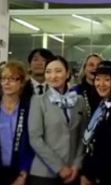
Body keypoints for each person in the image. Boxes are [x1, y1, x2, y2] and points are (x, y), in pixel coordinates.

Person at [28, 56, 86, 185]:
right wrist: (59, 167)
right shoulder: (38, 101)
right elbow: (35, 139)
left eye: (58, 71)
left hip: (72, 172)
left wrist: (76, 165)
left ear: (67, 74)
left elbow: (83, 137)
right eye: (48, 72)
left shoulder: (79, 101)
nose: (53, 76)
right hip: (44, 174)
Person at [80, 61, 111, 185]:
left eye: (107, 80)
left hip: (109, 178)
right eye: (98, 79)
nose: (101, 84)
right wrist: (85, 173)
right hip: (92, 174)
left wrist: (90, 175)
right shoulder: (100, 105)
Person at [0, 61, 35, 185]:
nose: (7, 83)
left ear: (22, 82)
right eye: (4, 78)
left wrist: (24, 173)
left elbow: (33, 144)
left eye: (13, 78)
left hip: (21, 173)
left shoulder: (30, 109)